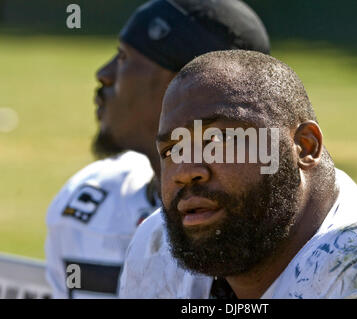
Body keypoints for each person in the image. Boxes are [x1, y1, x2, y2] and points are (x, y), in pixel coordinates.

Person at [119, 50, 357, 299]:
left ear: (304, 147)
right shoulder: (156, 252)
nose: (186, 171)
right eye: (171, 151)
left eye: (217, 142)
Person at [45, 0, 270, 298]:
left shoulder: (269, 225)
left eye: (123, 58)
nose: (104, 74)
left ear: (184, 88)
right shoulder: (89, 201)